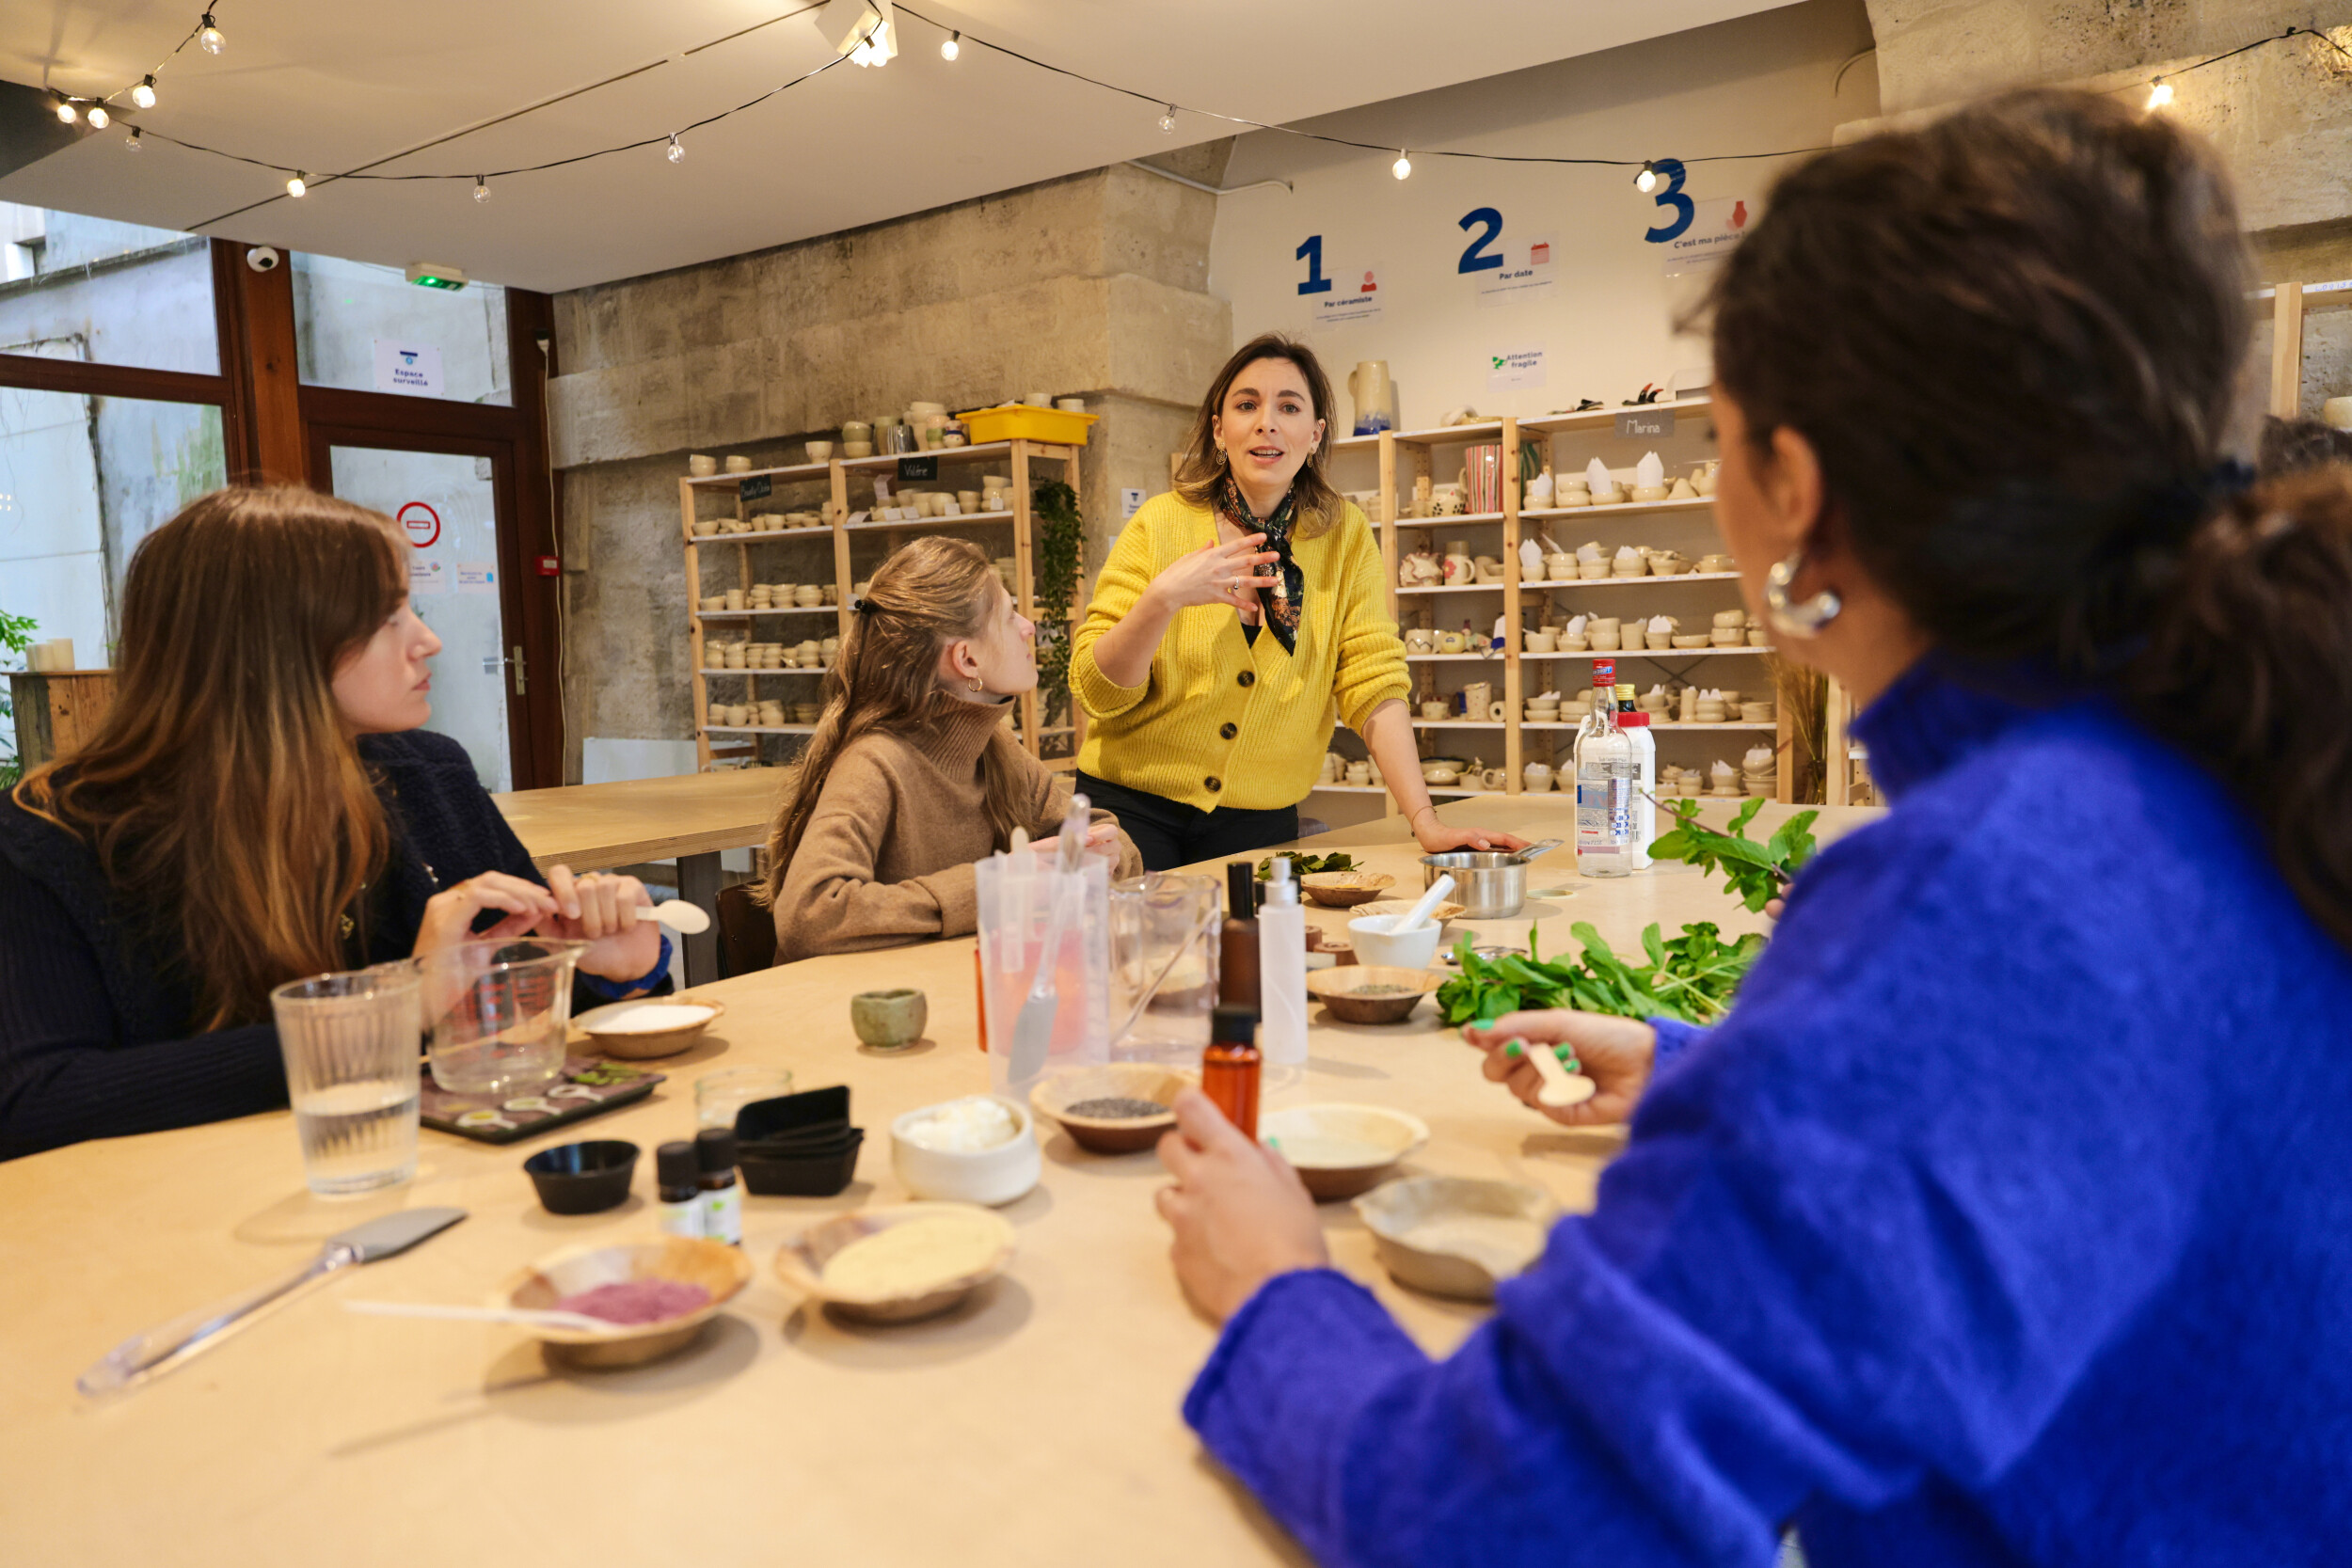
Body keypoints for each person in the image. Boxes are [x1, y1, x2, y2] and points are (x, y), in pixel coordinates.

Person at [1152, 91, 2352, 1564]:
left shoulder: (1995, 888)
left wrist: (1281, 1288)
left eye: (1716, 439)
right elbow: (2094, 1136)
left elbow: (1498, 1517)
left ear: (1794, 487)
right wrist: (1725, 1078)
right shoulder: (2236, 747)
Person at [0, 488, 670, 1162]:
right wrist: (388, 1012)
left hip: (430, 1187)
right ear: (270, 647)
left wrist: (604, 967)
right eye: (387, 617)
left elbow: (506, 1012)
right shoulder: (55, 838)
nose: (427, 639)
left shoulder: (427, 774)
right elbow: (31, 1101)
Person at [1070, 334, 1525, 870]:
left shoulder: (1344, 534)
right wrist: (1162, 601)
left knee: (1258, 952)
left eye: (1289, 406)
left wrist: (1426, 821)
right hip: (1127, 814)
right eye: (1246, 405)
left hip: (1258, 819)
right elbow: (1096, 692)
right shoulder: (1160, 523)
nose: (1267, 422)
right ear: (1219, 430)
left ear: (1314, 434)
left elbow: (1372, 680)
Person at [760, 536, 1140, 963]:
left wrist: (1104, 854)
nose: (1028, 627)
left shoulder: (996, 748)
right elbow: (808, 918)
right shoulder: (875, 761)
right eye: (1010, 615)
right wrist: (998, 885)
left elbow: (1104, 835)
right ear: (967, 660)